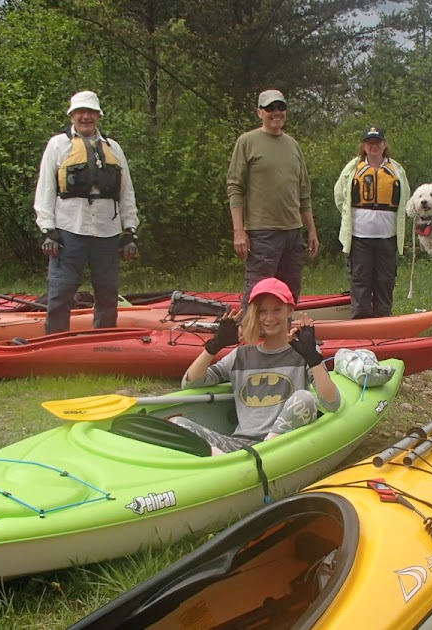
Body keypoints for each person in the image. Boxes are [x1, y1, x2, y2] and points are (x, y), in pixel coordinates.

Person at [171, 277, 341, 455]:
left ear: (290, 310)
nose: (269, 318)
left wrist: (313, 358)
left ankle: (260, 453)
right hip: (240, 444)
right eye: (262, 311)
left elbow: (332, 404)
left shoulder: (303, 352)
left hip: (281, 442)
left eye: (277, 310)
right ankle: (227, 460)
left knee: (305, 398)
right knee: (177, 424)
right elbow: (190, 383)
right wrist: (214, 345)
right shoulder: (241, 355)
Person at [34, 90, 140, 335]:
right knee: (61, 292)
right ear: (72, 116)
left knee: (107, 293)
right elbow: (45, 191)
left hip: (107, 232)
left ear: (98, 116)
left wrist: (130, 230)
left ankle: (101, 346)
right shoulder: (58, 145)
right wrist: (47, 229)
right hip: (69, 230)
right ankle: (56, 345)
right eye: (80, 112)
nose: (85, 117)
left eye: (91, 112)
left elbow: (127, 193)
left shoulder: (113, 148)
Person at [227, 89, 319, 310]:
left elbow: (303, 192)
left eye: (280, 108)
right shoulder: (247, 142)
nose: (276, 113)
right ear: (260, 112)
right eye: (270, 109)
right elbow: (235, 188)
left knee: (289, 293)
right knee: (257, 292)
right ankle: (246, 337)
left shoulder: (293, 145)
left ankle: (282, 339)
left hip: (293, 232)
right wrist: (239, 232)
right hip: (262, 233)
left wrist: (312, 230)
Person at [333, 125, 410, 319]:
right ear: (364, 146)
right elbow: (340, 197)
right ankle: (360, 322)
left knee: (385, 280)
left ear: (384, 145)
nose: (374, 146)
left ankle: (383, 321)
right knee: (360, 280)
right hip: (359, 237)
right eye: (370, 143)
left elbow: (406, 199)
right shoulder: (353, 168)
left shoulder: (396, 169)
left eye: (378, 142)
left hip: (387, 237)